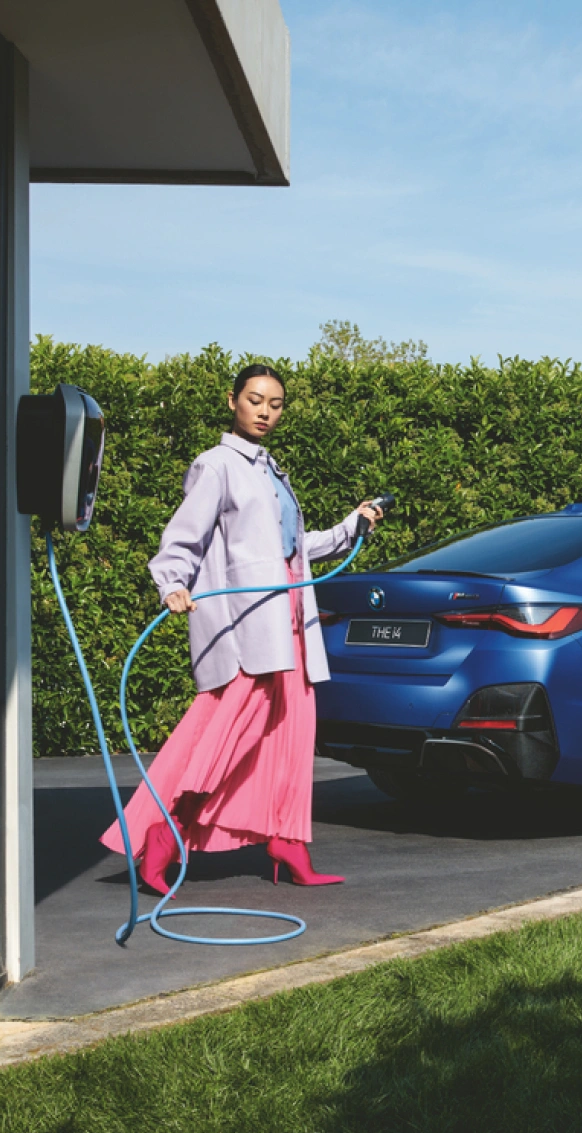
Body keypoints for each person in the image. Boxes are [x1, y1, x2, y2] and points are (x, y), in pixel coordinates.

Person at [99, 364, 382, 891]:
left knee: (291, 736)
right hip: (251, 626)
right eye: (255, 400)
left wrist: (352, 525)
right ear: (233, 401)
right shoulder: (217, 465)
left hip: (292, 620)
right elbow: (183, 537)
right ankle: (165, 833)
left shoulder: (271, 469)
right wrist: (171, 584)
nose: (265, 412)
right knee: (229, 735)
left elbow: (292, 547)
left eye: (276, 404)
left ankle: (287, 844)